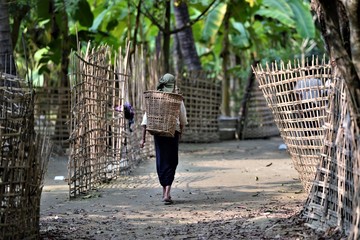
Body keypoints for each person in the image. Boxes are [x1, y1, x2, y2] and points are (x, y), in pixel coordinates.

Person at [140, 73, 188, 205]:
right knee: (172, 161)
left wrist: (143, 138)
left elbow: (146, 119)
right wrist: (181, 132)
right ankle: (167, 192)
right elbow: (182, 118)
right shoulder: (177, 99)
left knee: (161, 161)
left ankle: (164, 192)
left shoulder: (154, 97)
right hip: (173, 134)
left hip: (158, 135)